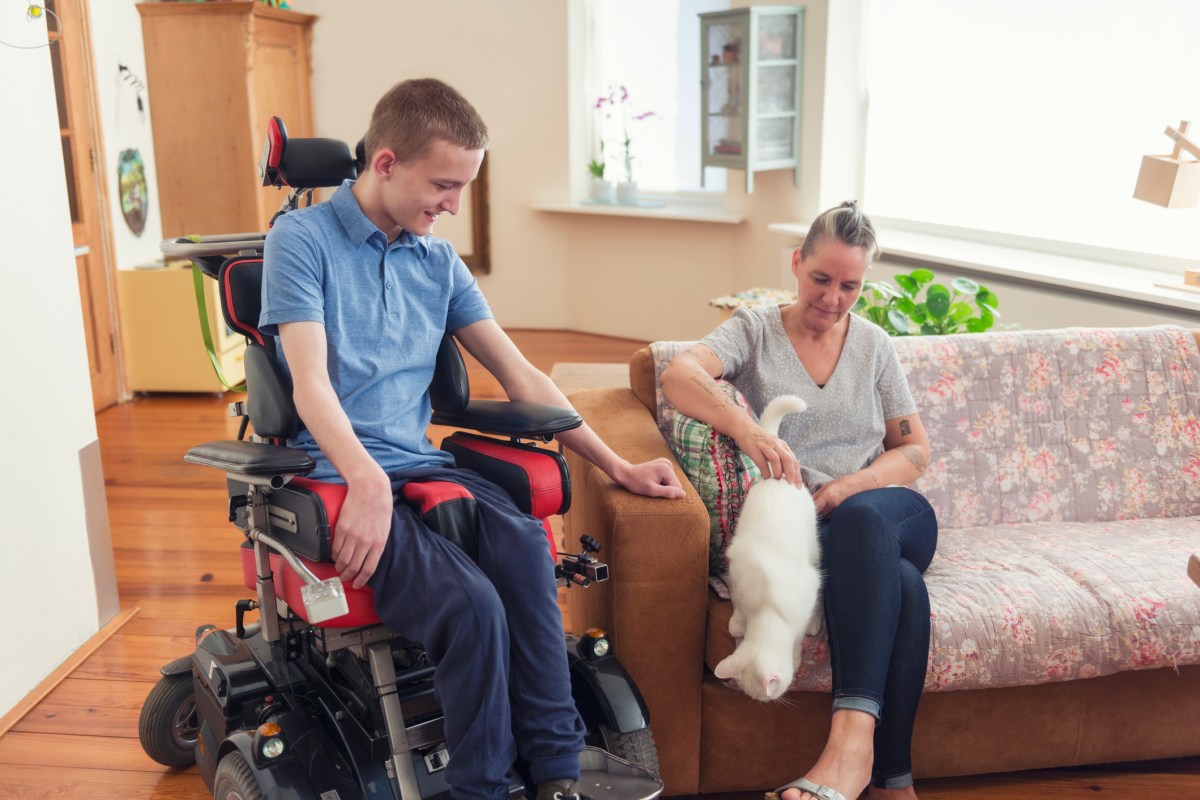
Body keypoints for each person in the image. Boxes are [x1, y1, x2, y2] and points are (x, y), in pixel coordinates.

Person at [259, 78, 685, 800]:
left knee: (524, 548)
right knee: (471, 606)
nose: (454, 205)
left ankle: (556, 771)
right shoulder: (302, 241)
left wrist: (617, 464)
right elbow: (310, 383)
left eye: (463, 187)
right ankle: (482, 789)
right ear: (387, 162)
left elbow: (519, 373)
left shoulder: (437, 262)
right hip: (336, 473)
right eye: (444, 185)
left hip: (417, 463)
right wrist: (363, 481)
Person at [660, 202, 937, 800]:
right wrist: (748, 429)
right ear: (796, 263)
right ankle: (891, 779)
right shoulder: (755, 329)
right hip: (814, 536)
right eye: (821, 279)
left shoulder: (874, 345)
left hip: (888, 512)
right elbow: (679, 374)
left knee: (865, 520)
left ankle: (844, 751)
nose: (834, 298)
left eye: (850, 286)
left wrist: (846, 487)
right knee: (903, 588)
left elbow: (914, 451)